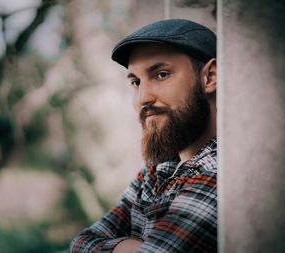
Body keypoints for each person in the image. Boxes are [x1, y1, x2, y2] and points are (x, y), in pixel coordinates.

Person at [70, 19, 217, 253]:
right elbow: (80, 243)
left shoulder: (217, 173)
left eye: (161, 74)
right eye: (136, 82)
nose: (143, 98)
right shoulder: (157, 170)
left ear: (209, 76)